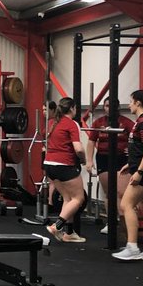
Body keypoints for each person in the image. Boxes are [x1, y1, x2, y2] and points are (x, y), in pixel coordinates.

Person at [112, 89, 143, 261]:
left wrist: (139, 172)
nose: (129, 105)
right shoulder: (139, 122)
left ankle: (132, 248)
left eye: (131, 101)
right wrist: (131, 165)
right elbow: (140, 150)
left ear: (138, 103)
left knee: (126, 205)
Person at [86, 97, 133, 234]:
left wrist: (131, 151)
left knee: (121, 192)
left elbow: (137, 139)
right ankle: (111, 222)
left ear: (117, 108)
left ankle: (124, 224)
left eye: (112, 106)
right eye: (106, 106)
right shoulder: (98, 123)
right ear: (104, 107)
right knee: (109, 193)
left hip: (121, 159)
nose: (109, 108)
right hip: (103, 158)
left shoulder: (126, 123)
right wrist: (89, 161)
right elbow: (91, 142)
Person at [43, 98, 87, 243]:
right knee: (78, 198)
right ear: (73, 108)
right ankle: (57, 226)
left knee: (68, 198)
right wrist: (84, 160)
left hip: (49, 165)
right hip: (64, 165)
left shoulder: (51, 123)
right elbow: (79, 149)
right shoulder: (72, 124)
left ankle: (69, 232)